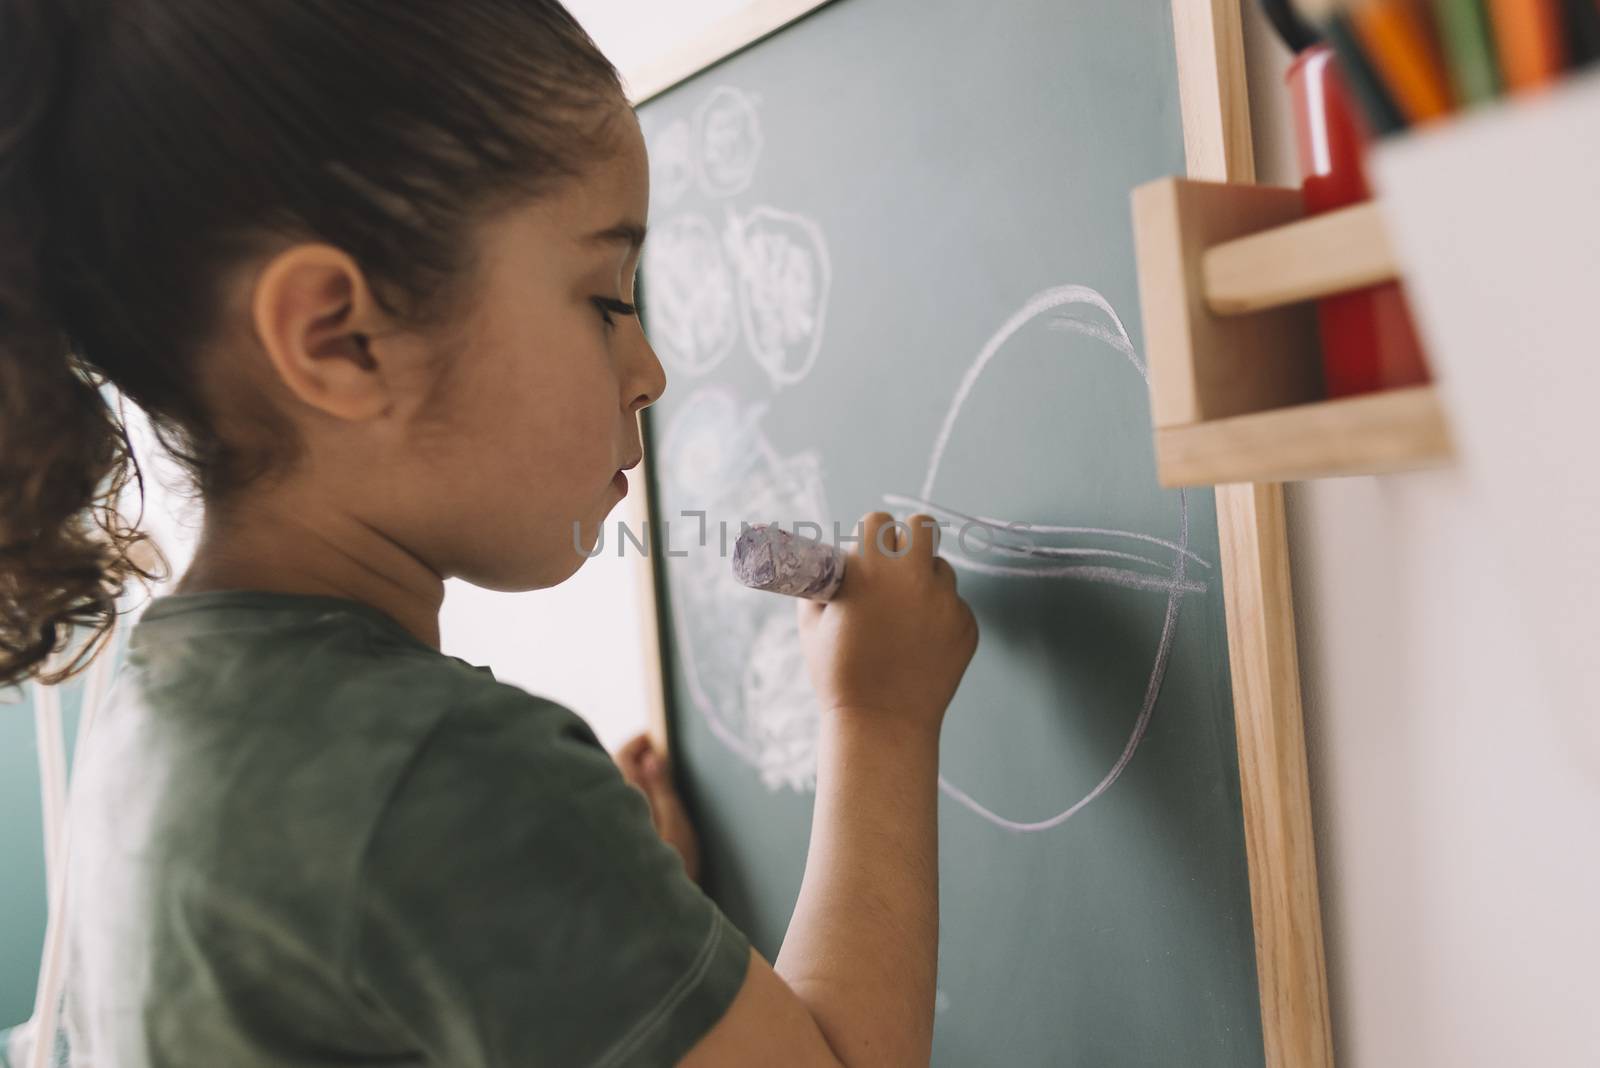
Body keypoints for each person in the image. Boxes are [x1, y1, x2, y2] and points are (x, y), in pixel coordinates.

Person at [0, 2, 978, 1065]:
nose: (649, 373)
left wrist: (608, 934)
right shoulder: (436, 780)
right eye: (606, 297)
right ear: (342, 339)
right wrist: (875, 709)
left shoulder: (163, 702)